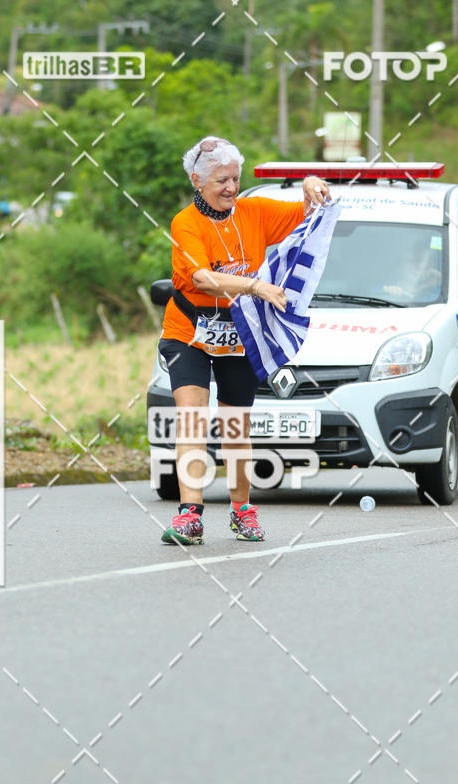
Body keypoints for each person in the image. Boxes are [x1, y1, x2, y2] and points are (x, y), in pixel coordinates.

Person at [158, 136, 331, 546]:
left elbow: (312, 214)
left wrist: (310, 182)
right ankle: (189, 515)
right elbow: (201, 278)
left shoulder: (253, 212)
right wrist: (256, 285)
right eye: (221, 180)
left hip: (239, 332)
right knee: (192, 417)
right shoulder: (185, 223)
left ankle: (241, 510)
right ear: (198, 182)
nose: (232, 187)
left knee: (236, 425)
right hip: (190, 330)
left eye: (235, 178)